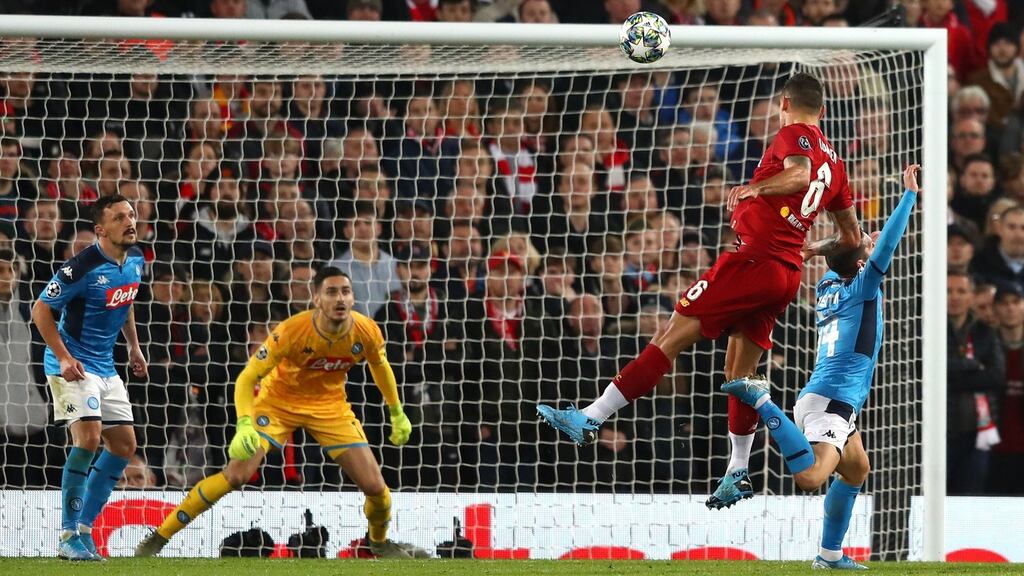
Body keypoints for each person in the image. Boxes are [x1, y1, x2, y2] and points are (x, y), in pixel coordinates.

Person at [537, 73, 861, 508]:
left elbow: (798, 175)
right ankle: (738, 471)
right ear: (823, 110)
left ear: (785, 103)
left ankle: (591, 417)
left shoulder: (794, 135)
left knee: (669, 335)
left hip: (753, 259)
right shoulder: (837, 165)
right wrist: (809, 249)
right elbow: (852, 239)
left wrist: (755, 187)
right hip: (785, 273)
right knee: (739, 377)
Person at [135, 267, 416, 558]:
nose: (340, 298)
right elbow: (247, 377)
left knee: (376, 487)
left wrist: (396, 411)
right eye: (331, 292)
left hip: (330, 408)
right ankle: (159, 537)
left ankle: (379, 543)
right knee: (235, 476)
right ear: (317, 298)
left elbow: (380, 366)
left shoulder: (366, 330)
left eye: (345, 291)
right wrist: (245, 424)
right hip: (277, 405)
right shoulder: (292, 331)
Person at [723, 164, 922, 570]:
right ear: (862, 259)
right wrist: (909, 197)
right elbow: (884, 246)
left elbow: (849, 248)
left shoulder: (827, 284)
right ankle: (761, 400)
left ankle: (829, 555)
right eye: (865, 243)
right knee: (811, 477)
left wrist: (815, 249)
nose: (869, 241)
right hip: (833, 401)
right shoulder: (863, 285)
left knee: (857, 469)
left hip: (828, 396)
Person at [32, 194, 148, 561]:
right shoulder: (80, 268)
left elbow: (125, 302)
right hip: (71, 364)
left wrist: (134, 346)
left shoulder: (137, 260)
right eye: (119, 218)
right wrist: (64, 357)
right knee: (88, 439)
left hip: (105, 365)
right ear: (100, 229)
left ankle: (84, 529)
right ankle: (68, 534)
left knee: (124, 447)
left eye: (131, 215)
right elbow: (40, 309)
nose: (130, 222)